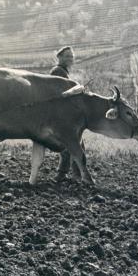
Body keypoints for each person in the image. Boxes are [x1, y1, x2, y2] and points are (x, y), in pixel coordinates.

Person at [49, 46, 83, 182]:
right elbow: (61, 94)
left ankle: (67, 174)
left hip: (62, 114)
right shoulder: (58, 71)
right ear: (59, 57)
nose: (70, 59)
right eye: (67, 56)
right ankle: (74, 175)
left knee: (72, 145)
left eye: (72, 56)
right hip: (61, 115)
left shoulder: (62, 71)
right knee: (74, 145)